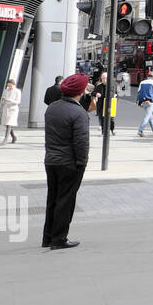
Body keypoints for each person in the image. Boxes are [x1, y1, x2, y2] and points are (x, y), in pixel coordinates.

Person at [42, 74, 91, 250]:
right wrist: (82, 163)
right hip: (69, 162)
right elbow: (81, 142)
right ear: (79, 92)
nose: (86, 91)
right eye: (85, 88)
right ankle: (59, 238)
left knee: (53, 199)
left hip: (51, 160)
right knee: (66, 201)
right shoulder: (79, 113)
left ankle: (48, 236)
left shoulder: (52, 107)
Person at [136, 70, 153, 136]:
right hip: (150, 102)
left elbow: (139, 93)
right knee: (147, 117)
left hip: (143, 102)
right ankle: (140, 130)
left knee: (150, 116)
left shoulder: (142, 82)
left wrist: (138, 102)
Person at [0, 79, 21, 144]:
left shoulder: (17, 91)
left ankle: (6, 138)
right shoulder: (6, 91)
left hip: (13, 109)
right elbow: (3, 98)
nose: (8, 85)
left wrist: (9, 100)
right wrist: (4, 100)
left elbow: (18, 101)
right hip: (6, 108)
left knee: (9, 123)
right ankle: (14, 137)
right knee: (7, 124)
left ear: (12, 84)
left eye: (9, 84)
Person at [93, 71, 114, 137]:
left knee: (111, 119)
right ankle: (103, 132)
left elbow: (117, 93)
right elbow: (92, 93)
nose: (104, 80)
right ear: (101, 79)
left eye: (106, 78)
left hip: (110, 104)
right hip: (101, 104)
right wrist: (96, 94)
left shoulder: (112, 86)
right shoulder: (99, 86)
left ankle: (112, 130)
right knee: (102, 119)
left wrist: (115, 96)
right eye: (103, 78)